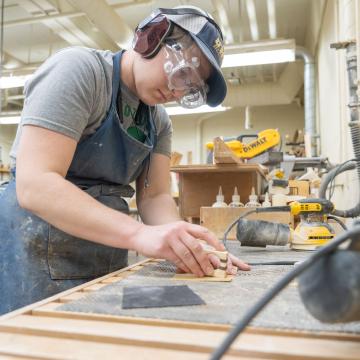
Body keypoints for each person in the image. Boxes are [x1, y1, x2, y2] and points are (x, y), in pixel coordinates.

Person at [0, 6, 250, 315]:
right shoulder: (80, 71)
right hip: (33, 261)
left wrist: (187, 246)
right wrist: (140, 235)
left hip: (103, 261)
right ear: (152, 37)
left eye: (189, 87)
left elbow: (156, 197)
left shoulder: (158, 122)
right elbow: (35, 184)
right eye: (180, 72)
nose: (175, 90)